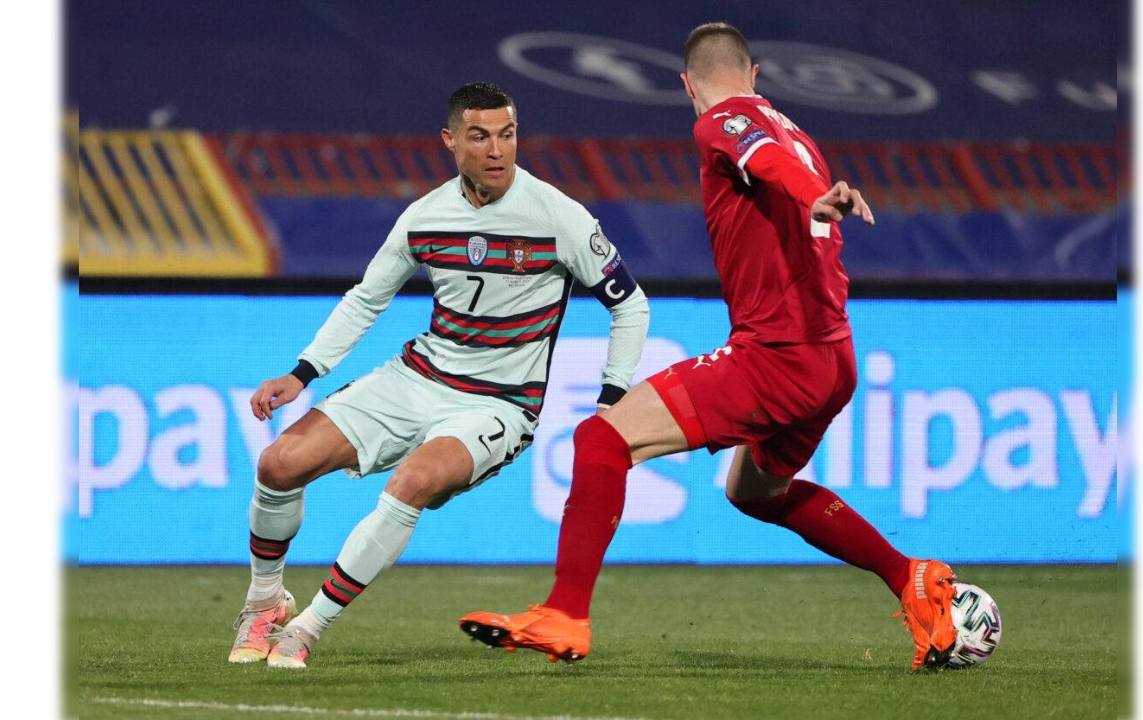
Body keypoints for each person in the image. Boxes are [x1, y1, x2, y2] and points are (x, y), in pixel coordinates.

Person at [458, 23, 959, 671]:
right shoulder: (798, 134)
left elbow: (765, 165)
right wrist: (821, 192)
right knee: (756, 492)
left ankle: (564, 613)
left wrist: (818, 197)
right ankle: (911, 577)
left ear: (686, 84)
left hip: (775, 356)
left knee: (602, 440)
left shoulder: (719, 122)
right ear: (755, 75)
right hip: (833, 358)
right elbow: (781, 171)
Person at [228, 81, 650, 668]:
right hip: (418, 376)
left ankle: (306, 629)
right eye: (480, 136)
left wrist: (614, 395)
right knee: (278, 463)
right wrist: (304, 372)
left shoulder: (558, 216)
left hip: (498, 404)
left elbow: (630, 304)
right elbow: (366, 299)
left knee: (412, 481)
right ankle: (264, 603)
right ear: (452, 141)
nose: (497, 150)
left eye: (507, 135)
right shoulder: (425, 216)